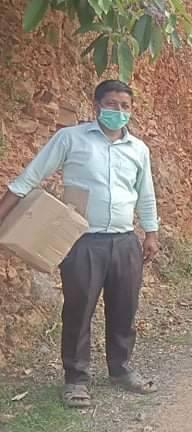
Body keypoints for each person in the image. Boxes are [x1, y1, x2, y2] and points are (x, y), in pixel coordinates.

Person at [0, 80, 160, 408]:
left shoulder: (138, 149)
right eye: (112, 104)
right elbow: (29, 178)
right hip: (82, 241)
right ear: (96, 105)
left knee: (125, 308)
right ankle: (75, 379)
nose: (118, 111)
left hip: (125, 241)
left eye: (125, 106)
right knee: (79, 309)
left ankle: (121, 369)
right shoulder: (71, 139)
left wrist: (151, 233)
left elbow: (145, 194)